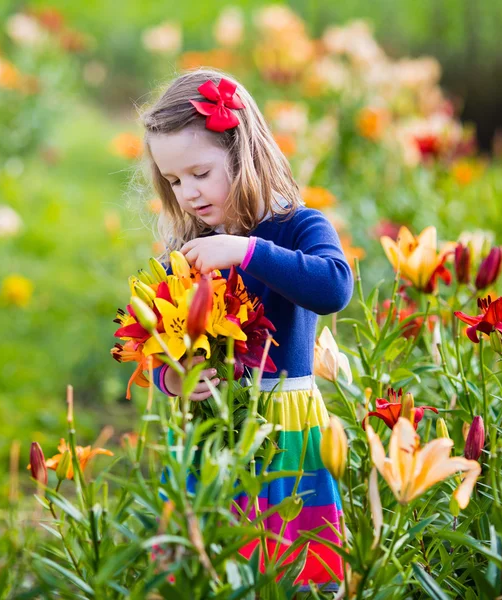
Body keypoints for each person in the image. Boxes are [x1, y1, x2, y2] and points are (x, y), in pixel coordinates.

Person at [138, 68, 353, 591]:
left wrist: (246, 250)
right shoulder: (186, 252)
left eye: (200, 173)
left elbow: (334, 287)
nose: (188, 193)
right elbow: (158, 346)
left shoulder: (298, 227)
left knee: (285, 563)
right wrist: (177, 378)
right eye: (174, 181)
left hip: (282, 429)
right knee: (208, 561)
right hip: (209, 432)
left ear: (242, 153)